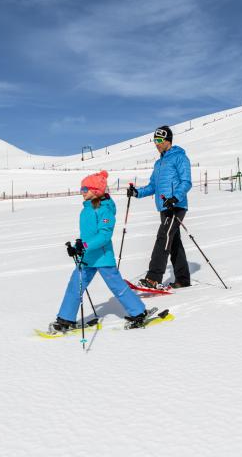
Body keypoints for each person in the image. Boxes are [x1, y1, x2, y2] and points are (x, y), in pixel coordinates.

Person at [49, 170, 149, 332]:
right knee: (75, 285)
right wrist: (76, 249)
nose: (81, 193)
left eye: (84, 190)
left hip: (102, 257)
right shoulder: (86, 210)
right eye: (81, 189)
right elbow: (87, 236)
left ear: (95, 191)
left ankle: (139, 312)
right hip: (87, 258)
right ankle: (65, 319)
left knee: (117, 286)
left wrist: (85, 246)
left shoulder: (105, 209)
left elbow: (104, 235)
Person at [127, 125, 193, 289]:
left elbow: (186, 182)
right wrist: (136, 192)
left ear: (167, 140)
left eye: (158, 140)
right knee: (174, 242)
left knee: (163, 237)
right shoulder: (159, 163)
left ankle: (153, 277)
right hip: (164, 207)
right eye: (154, 140)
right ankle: (183, 279)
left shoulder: (180, 157)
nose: (156, 144)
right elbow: (152, 186)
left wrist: (174, 197)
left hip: (176, 206)